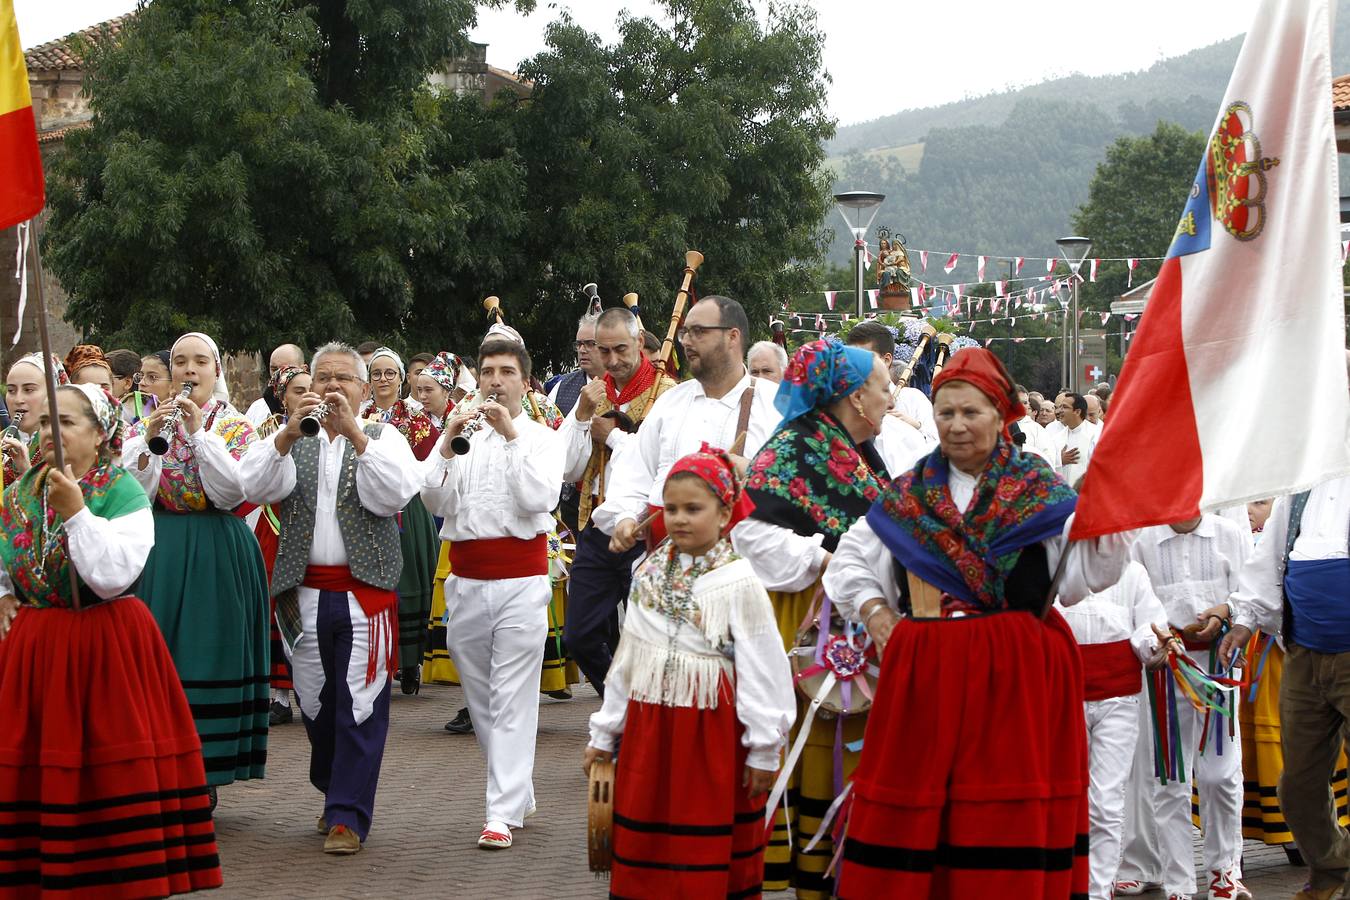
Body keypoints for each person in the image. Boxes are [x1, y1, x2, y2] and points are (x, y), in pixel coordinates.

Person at [823, 347, 1087, 898]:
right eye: (946, 413)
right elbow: (849, 562)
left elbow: (1086, 576)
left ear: (1001, 414)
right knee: (919, 809)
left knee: (1002, 812)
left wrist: (1109, 514)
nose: (957, 425)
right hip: (926, 675)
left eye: (971, 412)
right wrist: (875, 614)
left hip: (1015, 679)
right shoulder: (909, 494)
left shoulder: (1040, 492)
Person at [0, 384, 223, 896]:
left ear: (100, 434)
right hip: (37, 650)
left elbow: (111, 576)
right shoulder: (16, 493)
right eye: (48, 422)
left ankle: (114, 875)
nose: (55, 433)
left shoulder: (120, 491)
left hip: (106, 648)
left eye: (70, 423)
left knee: (109, 764)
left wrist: (78, 511)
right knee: (37, 766)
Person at [584, 445, 795, 896]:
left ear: (724, 514)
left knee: (702, 839)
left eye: (693, 509)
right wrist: (604, 734)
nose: (679, 519)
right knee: (648, 838)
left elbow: (763, 667)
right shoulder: (649, 574)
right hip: (650, 727)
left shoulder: (738, 581)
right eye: (671, 508)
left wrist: (763, 748)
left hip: (711, 732)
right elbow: (627, 662)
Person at [240, 341, 423, 855]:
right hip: (302, 594)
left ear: (365, 390)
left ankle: (348, 814)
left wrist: (357, 437)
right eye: (325, 378)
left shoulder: (385, 437)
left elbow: (394, 494)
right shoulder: (289, 436)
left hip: (365, 594)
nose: (334, 387)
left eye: (345, 379)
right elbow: (249, 485)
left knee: (360, 703)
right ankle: (334, 788)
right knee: (316, 705)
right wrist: (284, 436)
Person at [733, 337, 892, 897]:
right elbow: (748, 532)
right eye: (883, 385)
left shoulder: (856, 451)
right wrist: (826, 559)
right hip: (810, 622)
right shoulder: (796, 448)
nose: (892, 396)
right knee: (818, 749)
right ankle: (812, 872)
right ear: (853, 396)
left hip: (857, 620)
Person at [567, 295, 779, 699]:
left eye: (699, 332)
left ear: (733, 337)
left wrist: (751, 477)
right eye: (685, 332)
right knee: (659, 686)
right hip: (663, 578)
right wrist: (626, 517)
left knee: (734, 691)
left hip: (738, 580)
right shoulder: (671, 404)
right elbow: (634, 475)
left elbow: (792, 494)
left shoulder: (773, 408)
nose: (687, 341)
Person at [420, 338, 564, 850]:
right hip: (465, 581)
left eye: (506, 372)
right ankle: (516, 787)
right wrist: (445, 443)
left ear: (525, 383)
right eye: (487, 372)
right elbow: (434, 500)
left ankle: (498, 813)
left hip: (522, 582)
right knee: (481, 698)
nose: (495, 380)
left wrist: (509, 440)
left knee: (512, 697)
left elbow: (539, 498)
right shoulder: (463, 435)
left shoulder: (543, 438)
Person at [124, 331, 270, 801]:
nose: (189, 371)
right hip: (161, 547)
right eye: (180, 363)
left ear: (216, 371)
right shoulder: (147, 421)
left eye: (200, 362)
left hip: (215, 548)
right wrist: (149, 444)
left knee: (209, 653)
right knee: (161, 657)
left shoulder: (233, 427)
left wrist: (200, 435)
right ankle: (161, 766)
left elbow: (232, 492)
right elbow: (135, 493)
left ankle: (204, 772)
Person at [1218, 454, 1350, 900]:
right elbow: (1269, 561)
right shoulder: (1303, 482)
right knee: (1297, 786)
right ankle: (1332, 868)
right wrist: (1243, 621)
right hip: (1303, 654)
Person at [1118, 514, 1249, 900]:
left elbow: (1249, 594)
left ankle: (1225, 870)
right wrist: (1155, 640)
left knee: (1220, 775)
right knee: (1169, 778)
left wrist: (1224, 611)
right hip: (1166, 667)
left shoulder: (1229, 534)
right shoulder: (1142, 540)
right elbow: (1136, 605)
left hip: (1217, 666)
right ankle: (1178, 881)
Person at [1054, 523, 1169, 900]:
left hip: (1118, 696)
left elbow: (1147, 626)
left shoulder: (1132, 572)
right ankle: (1065, 884)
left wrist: (1156, 646)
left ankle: (1097, 891)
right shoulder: (1055, 567)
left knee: (1106, 799)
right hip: (1063, 697)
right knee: (1067, 798)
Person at [360, 347, 440, 695]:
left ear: (401, 377)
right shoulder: (360, 416)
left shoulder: (417, 418)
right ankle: (378, 660)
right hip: (371, 510)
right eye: (376, 373)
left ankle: (411, 663)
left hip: (409, 508)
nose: (383, 379)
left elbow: (431, 460)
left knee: (409, 579)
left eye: (389, 372)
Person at [249, 362, 311, 725]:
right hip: (275, 526)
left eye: (309, 389)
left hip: (310, 524)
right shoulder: (266, 432)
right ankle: (280, 694)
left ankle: (311, 689)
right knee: (275, 602)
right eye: (297, 391)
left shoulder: (326, 427)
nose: (305, 396)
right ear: (282, 397)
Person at [845, 321, 938, 443]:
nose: (856, 365)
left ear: (886, 360)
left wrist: (915, 426)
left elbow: (938, 444)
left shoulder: (913, 398)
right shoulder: (845, 400)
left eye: (864, 358)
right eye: (851, 359)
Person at [3, 353, 67, 489]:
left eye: (29, 390)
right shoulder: (3, 438)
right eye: (11, 390)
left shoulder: (67, 444)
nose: (18, 399)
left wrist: (26, 470)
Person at [548, 313, 603, 418]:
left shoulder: (623, 385)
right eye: (579, 344)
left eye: (590, 344)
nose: (582, 350)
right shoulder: (561, 387)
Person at [245, 343, 307, 426]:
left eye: (286, 369)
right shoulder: (257, 408)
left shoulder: (313, 404)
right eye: (274, 369)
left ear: (303, 369)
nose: (278, 374)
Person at [1051, 391, 1097, 486]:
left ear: (1077, 411)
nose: (1060, 411)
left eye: (1065, 407)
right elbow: (1048, 464)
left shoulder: (1095, 434)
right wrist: (1060, 460)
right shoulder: (1057, 437)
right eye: (1060, 407)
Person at [124, 350, 172, 425]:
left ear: (173, 385)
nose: (141, 383)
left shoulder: (187, 421)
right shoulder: (124, 412)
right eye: (141, 375)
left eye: (152, 377)